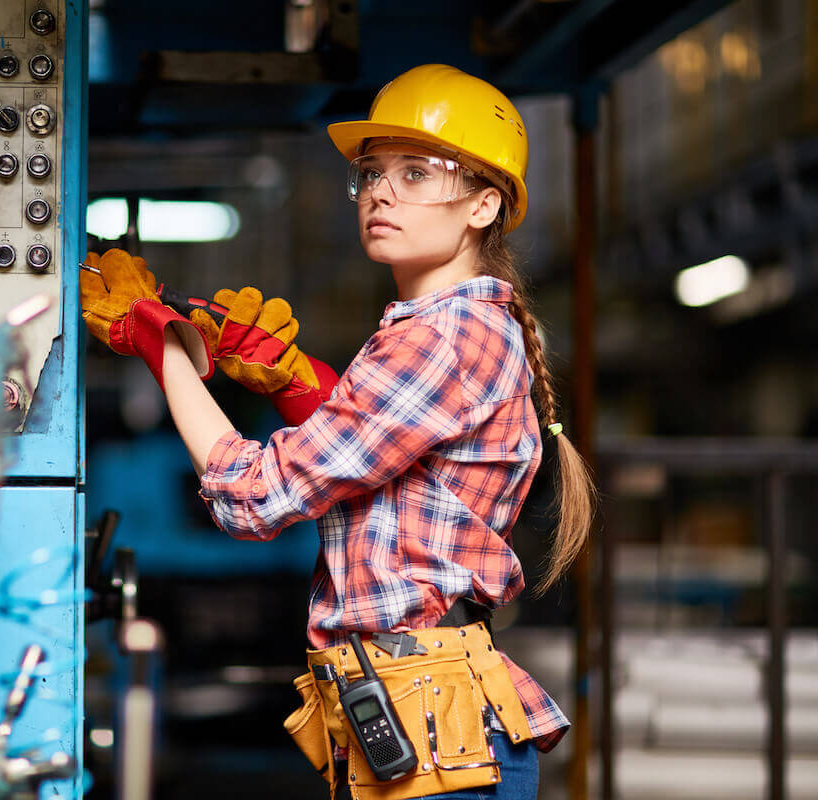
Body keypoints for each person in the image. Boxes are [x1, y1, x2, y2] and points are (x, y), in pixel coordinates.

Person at [80, 63, 596, 800]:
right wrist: (292, 378)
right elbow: (388, 465)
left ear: (484, 205)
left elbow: (256, 498)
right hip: (417, 718)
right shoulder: (442, 332)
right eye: (373, 173)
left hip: (434, 738)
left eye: (417, 172)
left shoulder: (441, 340)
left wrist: (163, 352)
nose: (382, 191)